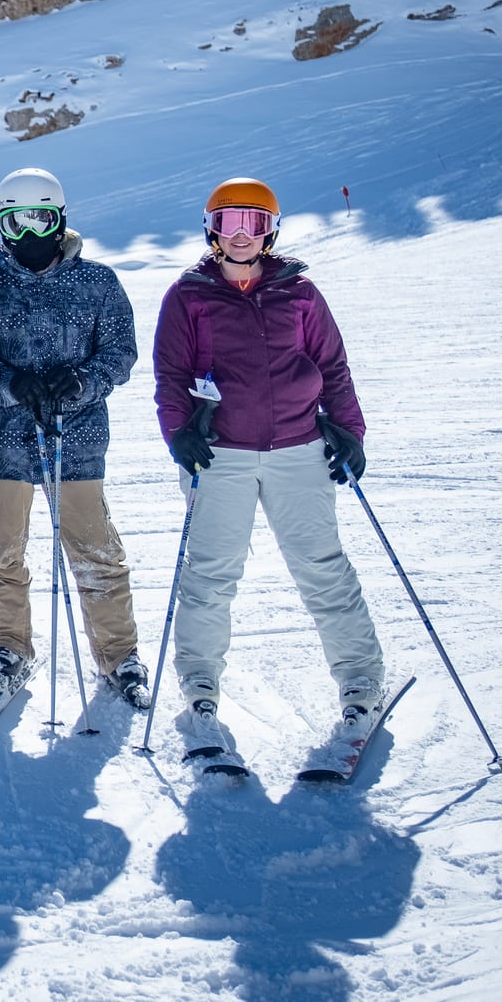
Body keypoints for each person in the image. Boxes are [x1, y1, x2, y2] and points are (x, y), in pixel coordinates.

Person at [153, 178, 383, 728]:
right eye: (229, 222)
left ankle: (360, 681)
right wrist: (178, 434)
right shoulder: (188, 294)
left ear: (271, 231)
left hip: (299, 449)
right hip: (220, 455)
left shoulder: (299, 292)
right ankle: (200, 681)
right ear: (211, 228)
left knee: (322, 568)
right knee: (210, 574)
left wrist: (349, 431)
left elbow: (332, 365)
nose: (240, 235)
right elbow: (171, 375)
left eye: (253, 224)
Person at [0, 168, 149, 708]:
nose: (29, 233)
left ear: (60, 218)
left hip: (76, 439)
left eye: (40, 218)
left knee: (95, 551)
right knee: (1, 553)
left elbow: (121, 352)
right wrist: (9, 383)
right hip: (3, 442)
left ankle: (119, 654)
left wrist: (83, 382)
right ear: (1, 225)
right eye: (16, 221)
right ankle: (10, 647)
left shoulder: (98, 283)